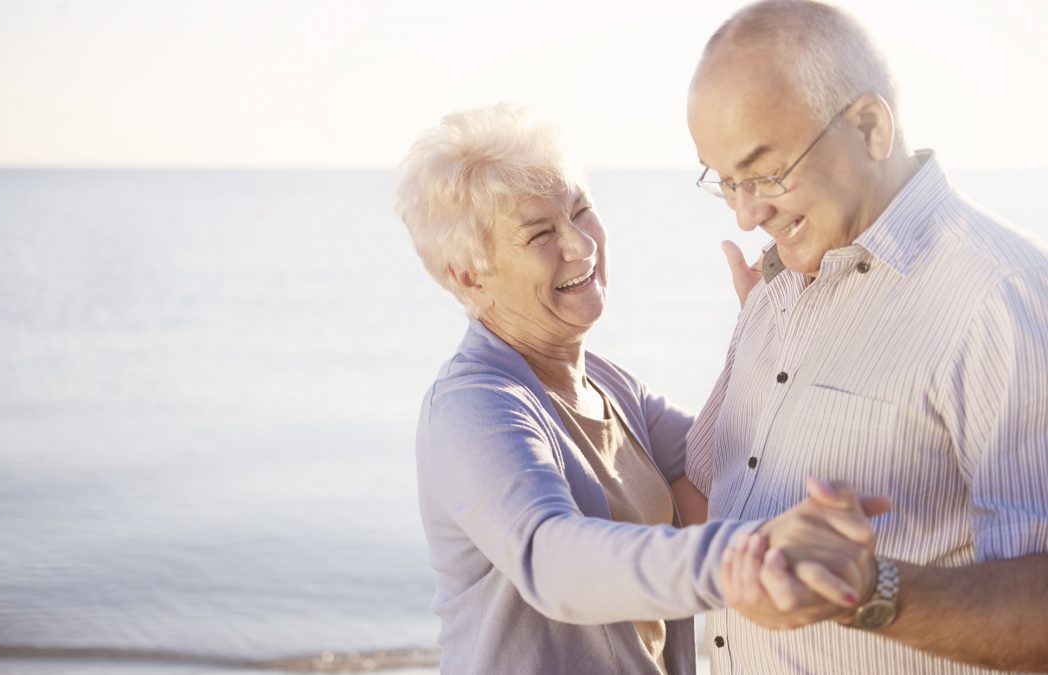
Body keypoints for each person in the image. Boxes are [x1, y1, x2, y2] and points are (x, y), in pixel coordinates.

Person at [396, 102, 887, 675]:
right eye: (539, 234)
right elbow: (554, 562)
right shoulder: (473, 407)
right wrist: (738, 561)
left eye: (581, 211)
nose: (580, 245)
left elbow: (739, 477)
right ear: (468, 275)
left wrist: (768, 329)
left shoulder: (609, 386)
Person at [684, 1, 1048, 673]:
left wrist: (862, 590)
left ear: (870, 126)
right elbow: (704, 494)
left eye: (763, 173)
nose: (745, 213)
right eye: (726, 181)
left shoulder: (1003, 296)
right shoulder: (776, 289)